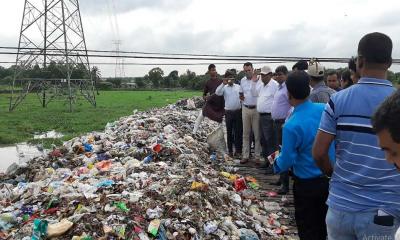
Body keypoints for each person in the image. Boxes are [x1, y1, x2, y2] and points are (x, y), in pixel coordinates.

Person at [312, 32, 400, 240]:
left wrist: (334, 175)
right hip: (384, 212)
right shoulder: (397, 103)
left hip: (340, 207)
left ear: (359, 61)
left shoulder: (338, 101)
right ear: (389, 62)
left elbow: (318, 153)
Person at [271, 70, 334, 240]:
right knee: (327, 228)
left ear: (289, 94)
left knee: (308, 229)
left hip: (306, 186)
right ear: (308, 89)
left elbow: (287, 160)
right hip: (331, 180)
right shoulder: (325, 109)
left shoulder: (291, 125)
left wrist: (276, 163)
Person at [251, 66, 279, 170]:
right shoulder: (262, 85)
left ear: (270, 75)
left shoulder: (275, 85)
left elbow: (278, 101)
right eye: (261, 75)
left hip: (269, 117)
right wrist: (254, 81)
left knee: (270, 141)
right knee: (263, 140)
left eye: (264, 75)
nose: (262, 77)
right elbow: (254, 93)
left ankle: (273, 165)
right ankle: (267, 162)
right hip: (261, 116)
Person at [271, 65, 291, 194]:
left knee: (284, 152)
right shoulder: (279, 88)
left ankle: (285, 185)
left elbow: (291, 106)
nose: (278, 76)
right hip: (276, 123)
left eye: (280, 74)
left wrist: (287, 121)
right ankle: (281, 178)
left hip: (284, 123)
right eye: (276, 74)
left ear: (286, 75)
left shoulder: (287, 88)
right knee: (278, 150)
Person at [216, 70, 243, 157]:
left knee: (238, 132)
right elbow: (217, 92)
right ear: (226, 79)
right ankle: (230, 151)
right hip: (228, 113)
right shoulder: (224, 88)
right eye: (228, 78)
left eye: (232, 77)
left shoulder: (238, 87)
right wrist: (223, 83)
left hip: (238, 112)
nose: (230, 79)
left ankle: (238, 151)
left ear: (234, 78)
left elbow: (243, 97)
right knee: (229, 132)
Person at [239, 62, 262, 164]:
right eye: (245, 71)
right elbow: (240, 92)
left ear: (253, 70)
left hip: (256, 109)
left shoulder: (259, 80)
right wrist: (241, 96)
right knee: (245, 134)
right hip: (245, 108)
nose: (247, 72)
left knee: (257, 134)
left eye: (249, 70)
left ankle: (257, 157)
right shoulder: (242, 80)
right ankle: (245, 156)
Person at [193, 64, 225, 133]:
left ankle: (223, 136)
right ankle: (194, 132)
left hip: (220, 103)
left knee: (222, 120)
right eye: (213, 70)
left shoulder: (221, 81)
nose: (214, 71)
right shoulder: (208, 82)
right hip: (211, 103)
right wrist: (206, 98)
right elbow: (204, 95)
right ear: (209, 72)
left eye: (215, 70)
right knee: (201, 115)